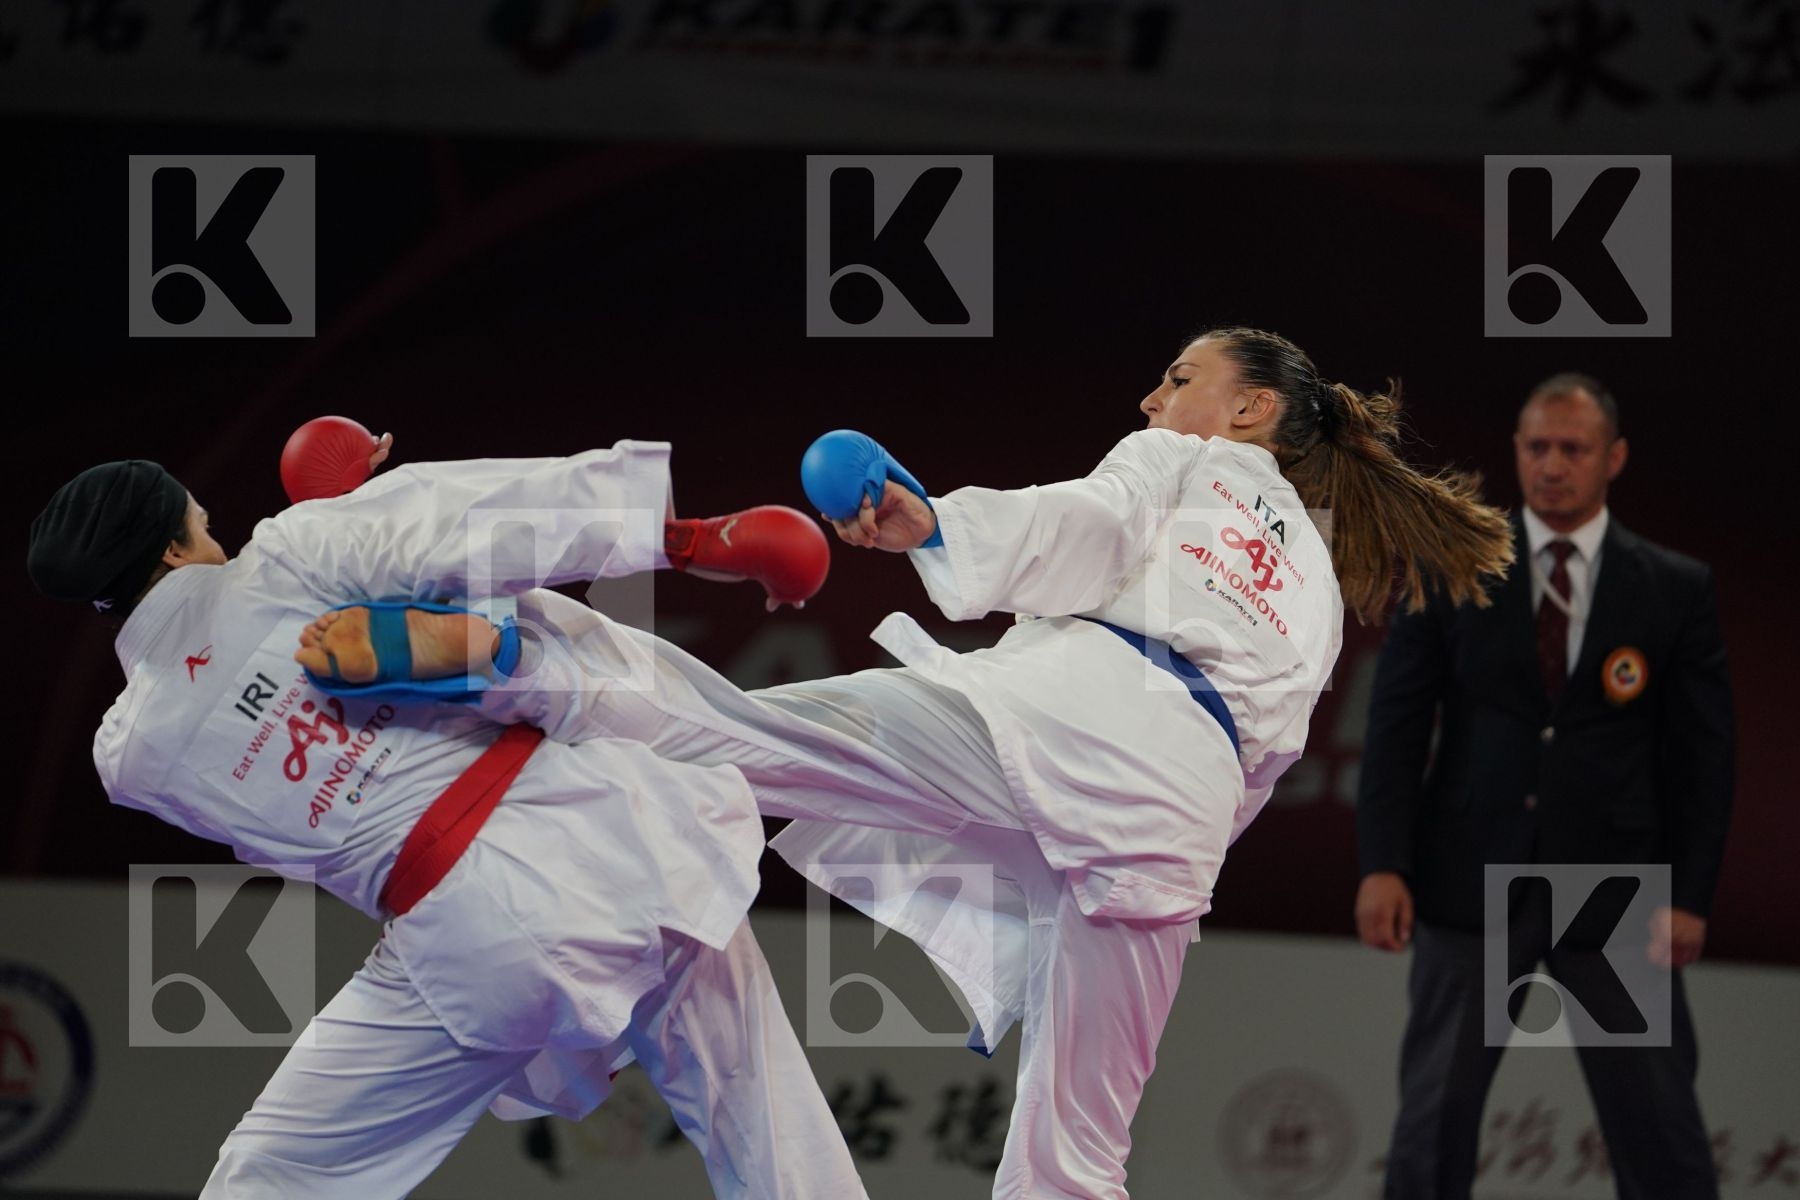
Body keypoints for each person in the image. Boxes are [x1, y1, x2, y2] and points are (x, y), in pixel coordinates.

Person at [307, 326, 1516, 1199]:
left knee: (737, 738)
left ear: (1249, 410)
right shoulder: (1311, 578)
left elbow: (1081, 529)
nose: (1153, 400)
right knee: (1079, 1159)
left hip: (1070, 724)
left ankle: (502, 654)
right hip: (1172, 829)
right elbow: (1262, 763)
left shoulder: (1178, 461)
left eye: (1181, 377)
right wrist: (1144, 857)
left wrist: (934, 526)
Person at [25, 444, 870, 1200]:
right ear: (175, 548)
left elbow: (234, 675)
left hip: (463, 942)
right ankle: (537, 615)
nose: (222, 539)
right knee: (761, 1115)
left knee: (277, 1173)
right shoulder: (286, 557)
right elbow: (472, 520)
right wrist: (671, 536)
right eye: (203, 527)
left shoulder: (129, 757)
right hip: (611, 839)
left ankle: (476, 642)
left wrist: (352, 514)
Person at [1354, 373, 1735, 1200]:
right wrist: (1384, 861)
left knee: (1658, 1129)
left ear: (1615, 458)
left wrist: (1691, 894)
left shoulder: (1672, 587)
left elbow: (1703, 757)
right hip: (1467, 878)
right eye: (1537, 447)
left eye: (1574, 448)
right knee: (1432, 1125)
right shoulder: (1453, 563)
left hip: (1613, 894)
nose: (1552, 465)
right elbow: (1394, 725)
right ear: (1517, 452)